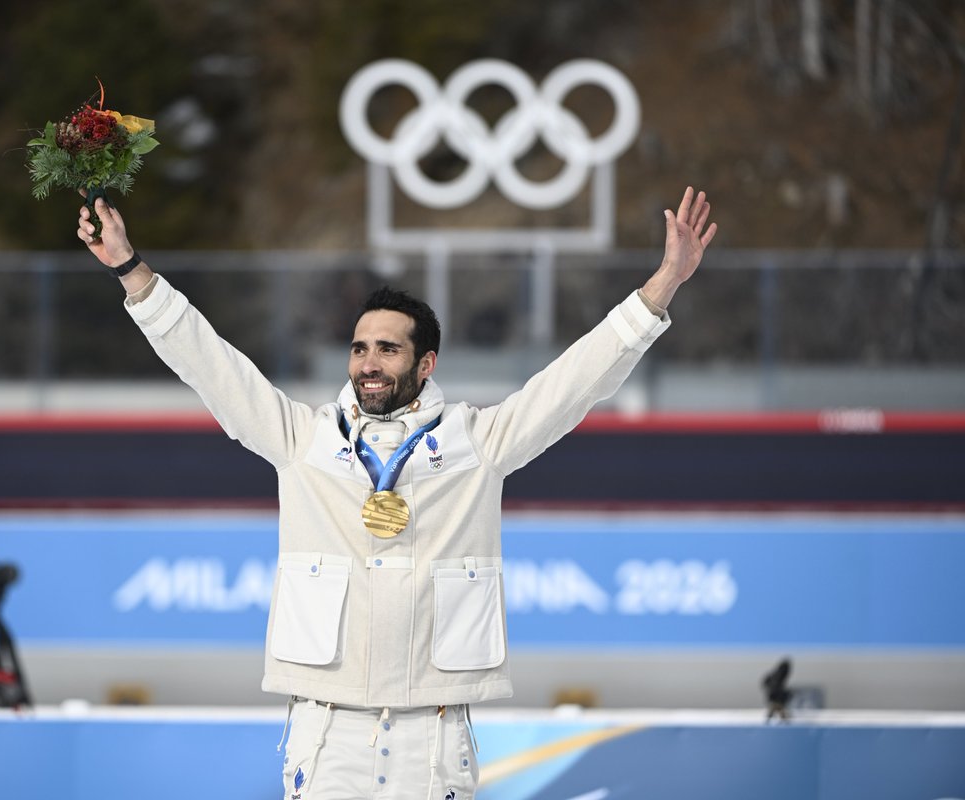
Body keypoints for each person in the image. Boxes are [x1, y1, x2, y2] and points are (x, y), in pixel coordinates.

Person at [77, 186, 716, 800]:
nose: (368, 362)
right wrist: (132, 271)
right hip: (326, 732)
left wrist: (663, 286)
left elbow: (575, 382)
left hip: (431, 733)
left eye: (387, 348)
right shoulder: (303, 439)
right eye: (359, 348)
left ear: (425, 363)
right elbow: (210, 364)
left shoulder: (478, 442)